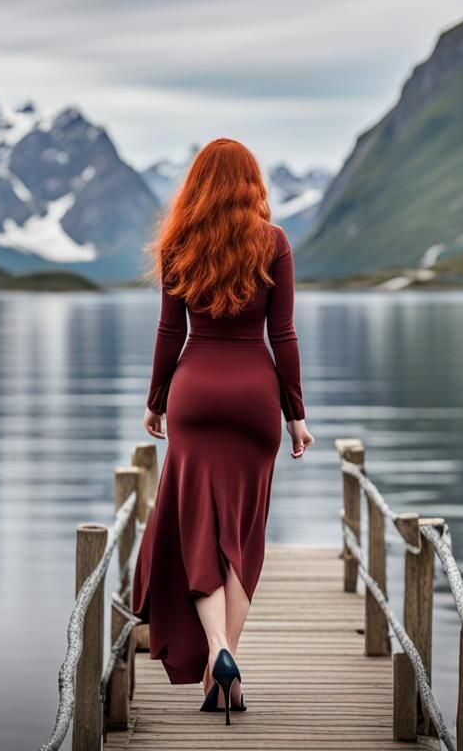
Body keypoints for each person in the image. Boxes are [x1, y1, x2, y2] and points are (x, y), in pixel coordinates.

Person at [131, 137, 315, 725]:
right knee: (242, 533)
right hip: (255, 399)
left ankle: (217, 653)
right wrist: (296, 415)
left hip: (196, 395)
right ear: (251, 184)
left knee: (195, 531)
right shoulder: (275, 242)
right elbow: (282, 335)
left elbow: (168, 334)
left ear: (198, 184)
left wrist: (156, 401)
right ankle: (226, 657)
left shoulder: (179, 243)